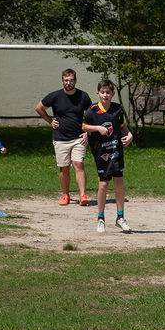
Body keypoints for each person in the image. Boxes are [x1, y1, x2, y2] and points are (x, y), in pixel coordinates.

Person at [81, 79, 135, 233]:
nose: (105, 95)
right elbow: (84, 126)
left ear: (112, 94)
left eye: (108, 93)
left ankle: (120, 217)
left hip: (116, 151)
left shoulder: (117, 109)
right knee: (103, 185)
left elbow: (122, 126)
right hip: (101, 152)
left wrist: (130, 135)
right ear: (98, 93)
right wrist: (97, 128)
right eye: (102, 92)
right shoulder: (92, 110)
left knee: (119, 182)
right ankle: (100, 218)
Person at [36, 68, 94, 206]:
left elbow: (93, 114)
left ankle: (82, 195)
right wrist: (50, 121)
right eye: (66, 80)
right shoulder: (55, 96)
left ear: (75, 81)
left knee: (78, 164)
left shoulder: (83, 96)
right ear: (62, 81)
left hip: (78, 137)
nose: (68, 83)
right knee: (64, 167)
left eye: (71, 80)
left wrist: (87, 132)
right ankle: (65, 195)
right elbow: (39, 108)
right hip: (60, 138)